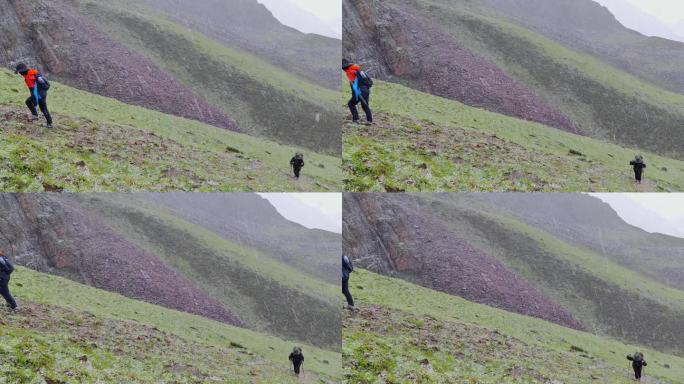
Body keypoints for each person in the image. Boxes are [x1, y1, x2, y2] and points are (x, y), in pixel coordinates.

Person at [15, 63, 53, 129]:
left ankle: (49, 124)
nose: (20, 74)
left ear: (23, 71)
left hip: (40, 94)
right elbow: (32, 88)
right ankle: (35, 115)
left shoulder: (35, 75)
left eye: (20, 72)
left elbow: (43, 84)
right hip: (35, 93)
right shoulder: (26, 74)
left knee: (43, 109)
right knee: (28, 101)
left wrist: (36, 100)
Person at [342, 59, 373, 125]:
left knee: (351, 104)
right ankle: (369, 121)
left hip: (360, 90)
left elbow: (354, 84)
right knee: (365, 105)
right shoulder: (357, 68)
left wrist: (355, 94)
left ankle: (356, 120)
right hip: (366, 89)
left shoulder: (350, 71)